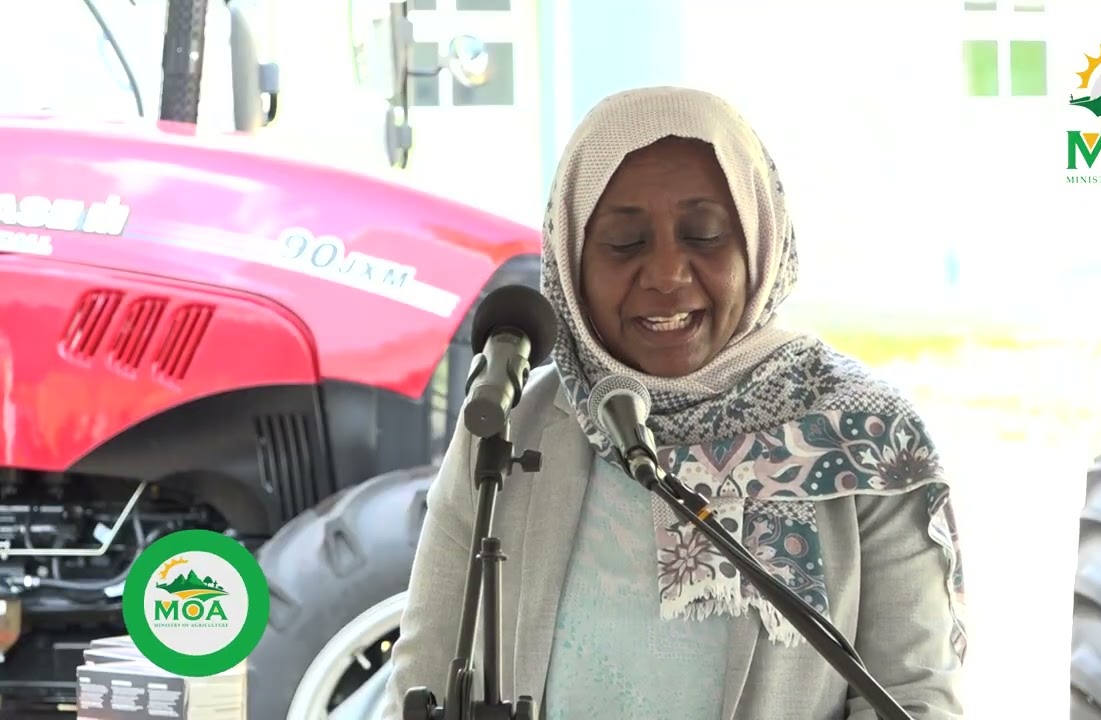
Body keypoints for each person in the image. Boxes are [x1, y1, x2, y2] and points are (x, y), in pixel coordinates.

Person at [380, 86, 966, 720]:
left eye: (706, 235)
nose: (666, 274)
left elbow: (910, 700)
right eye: (625, 243)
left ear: (758, 242)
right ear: (572, 263)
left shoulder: (868, 440)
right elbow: (424, 682)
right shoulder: (508, 429)